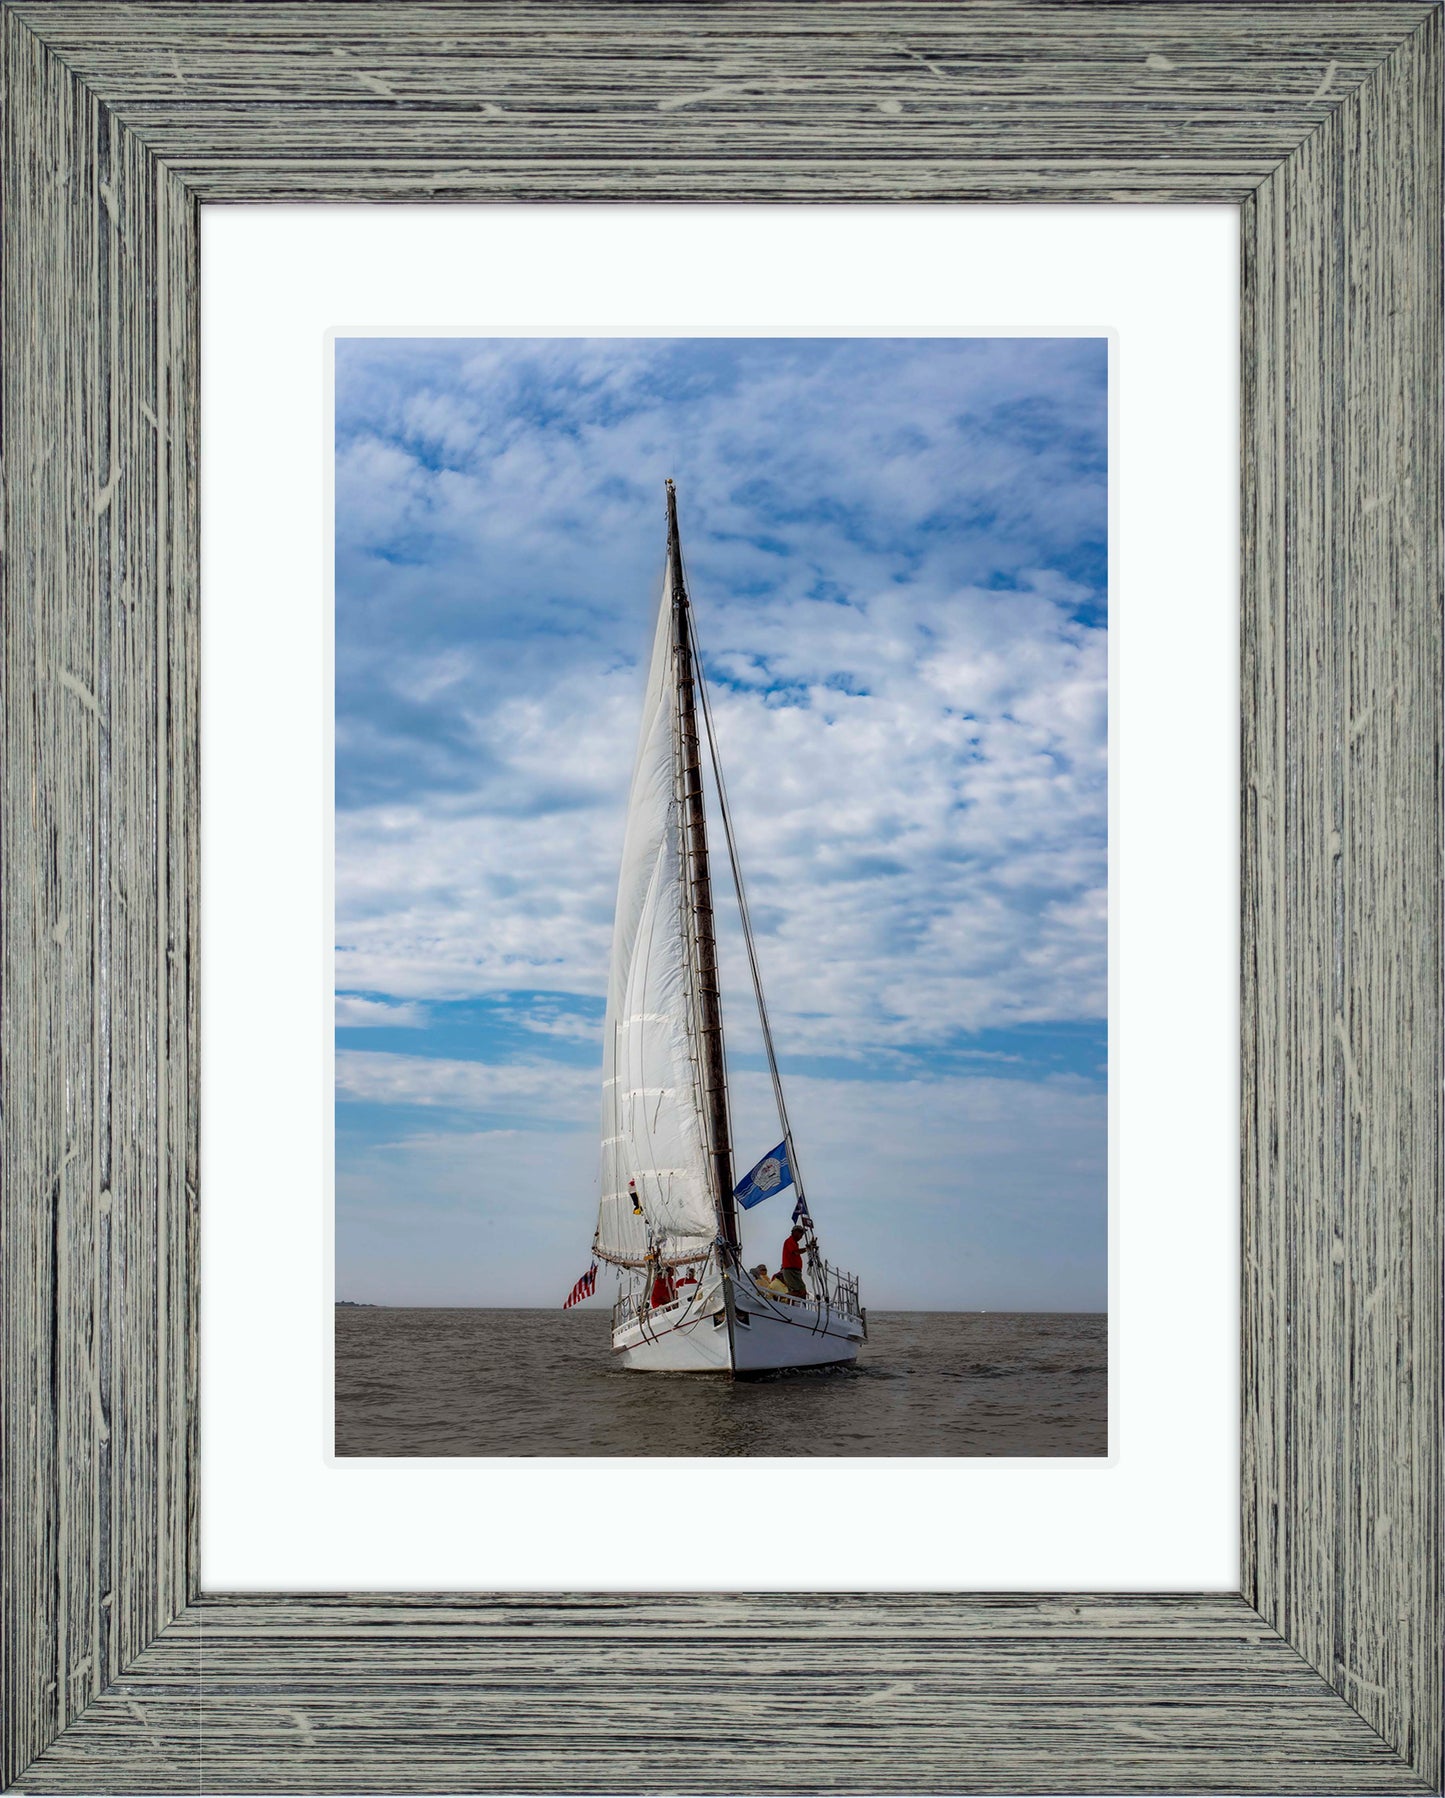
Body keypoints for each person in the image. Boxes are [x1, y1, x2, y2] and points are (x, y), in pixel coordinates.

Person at [778, 1224, 808, 1299]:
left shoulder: (794, 1243)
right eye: (801, 1232)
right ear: (795, 1232)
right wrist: (807, 1248)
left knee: (803, 1292)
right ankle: (778, 1298)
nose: (802, 1235)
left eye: (803, 1233)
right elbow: (795, 1252)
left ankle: (799, 1307)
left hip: (796, 1271)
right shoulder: (789, 1241)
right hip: (790, 1270)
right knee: (796, 1291)